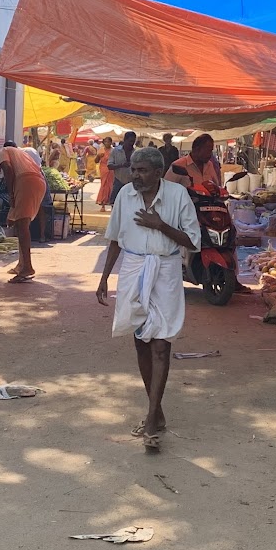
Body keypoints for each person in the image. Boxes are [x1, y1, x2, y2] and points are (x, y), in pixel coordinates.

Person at [95, 147, 200, 453]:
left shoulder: (178, 196)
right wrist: (104, 278)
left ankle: (152, 420)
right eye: (133, 170)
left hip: (166, 270)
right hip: (133, 268)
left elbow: (193, 240)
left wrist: (161, 225)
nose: (135, 175)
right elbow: (115, 239)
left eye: (141, 170)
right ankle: (157, 410)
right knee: (141, 341)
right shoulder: (125, 195)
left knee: (161, 344)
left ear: (157, 172)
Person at [0, 141, 47, 282]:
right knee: (20, 224)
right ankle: (22, 264)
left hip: (27, 181)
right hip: (38, 181)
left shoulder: (2, 152)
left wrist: (11, 194)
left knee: (22, 226)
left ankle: (27, 268)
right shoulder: (21, 153)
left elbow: (8, 169)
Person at [108, 131, 137, 198]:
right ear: (125, 140)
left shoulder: (135, 153)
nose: (131, 143)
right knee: (115, 201)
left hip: (131, 182)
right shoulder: (115, 151)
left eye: (133, 141)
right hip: (118, 181)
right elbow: (109, 166)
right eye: (130, 141)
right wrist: (121, 165)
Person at [94, 138, 115, 209]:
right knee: (104, 184)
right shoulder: (101, 150)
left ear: (111, 142)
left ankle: (111, 203)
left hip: (111, 169)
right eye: (105, 142)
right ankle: (102, 203)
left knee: (111, 185)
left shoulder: (114, 150)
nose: (107, 143)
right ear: (103, 143)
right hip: (103, 168)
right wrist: (98, 156)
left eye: (108, 142)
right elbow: (96, 161)